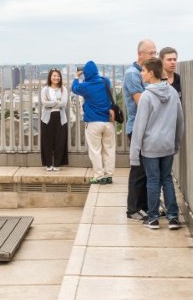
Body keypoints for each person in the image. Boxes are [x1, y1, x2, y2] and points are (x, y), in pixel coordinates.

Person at [129, 57, 184, 230]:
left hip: (150, 146)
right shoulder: (173, 93)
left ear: (151, 73)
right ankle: (173, 217)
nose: (141, 73)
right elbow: (180, 121)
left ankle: (152, 218)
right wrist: (176, 143)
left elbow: (139, 127)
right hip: (167, 144)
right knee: (167, 179)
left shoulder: (146, 96)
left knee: (152, 181)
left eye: (143, 71)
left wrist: (134, 154)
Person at [123, 39, 157, 220]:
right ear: (140, 54)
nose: (154, 56)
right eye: (150, 53)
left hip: (148, 129)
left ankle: (144, 206)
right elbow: (141, 103)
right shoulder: (132, 75)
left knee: (146, 170)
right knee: (138, 169)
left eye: (155, 53)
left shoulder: (148, 74)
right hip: (137, 128)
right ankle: (133, 209)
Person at [71, 61, 115, 184]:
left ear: (85, 73)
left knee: (95, 150)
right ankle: (109, 175)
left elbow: (74, 88)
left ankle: (99, 176)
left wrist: (76, 77)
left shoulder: (85, 86)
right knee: (109, 149)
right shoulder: (105, 81)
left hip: (93, 122)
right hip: (108, 122)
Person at [40, 68, 68, 171]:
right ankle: (48, 164)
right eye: (54, 76)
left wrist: (51, 102)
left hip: (60, 118)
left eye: (58, 76)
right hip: (47, 118)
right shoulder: (45, 89)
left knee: (59, 141)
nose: (56, 78)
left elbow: (64, 104)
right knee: (47, 141)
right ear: (50, 77)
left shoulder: (63, 89)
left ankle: (57, 164)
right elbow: (44, 103)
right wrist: (56, 102)